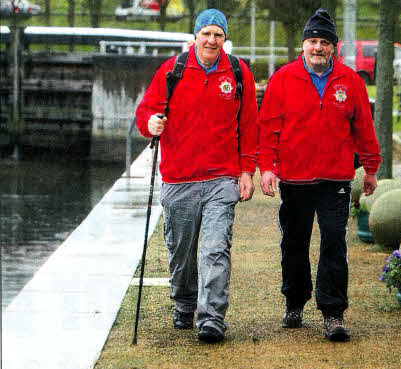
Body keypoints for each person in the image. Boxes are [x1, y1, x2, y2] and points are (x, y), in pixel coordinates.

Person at [257, 8, 381, 342]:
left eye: (324, 42)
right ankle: (294, 302)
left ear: (334, 47)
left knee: (334, 243)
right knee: (294, 243)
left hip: (335, 180)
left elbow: (364, 129)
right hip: (295, 180)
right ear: (304, 45)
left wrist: (370, 167)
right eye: (312, 41)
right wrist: (266, 167)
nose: (318, 48)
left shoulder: (350, 81)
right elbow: (268, 127)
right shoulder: (283, 79)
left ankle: (333, 313)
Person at [135, 9, 258, 343]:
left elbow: (249, 126)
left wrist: (247, 170)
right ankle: (184, 303)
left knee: (215, 248)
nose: (211, 40)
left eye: (218, 34)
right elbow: (146, 110)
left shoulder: (237, 71)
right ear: (195, 36)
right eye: (206, 33)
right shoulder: (172, 70)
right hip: (179, 178)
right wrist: (151, 123)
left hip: (222, 177)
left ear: (224, 38)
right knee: (182, 252)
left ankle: (212, 318)